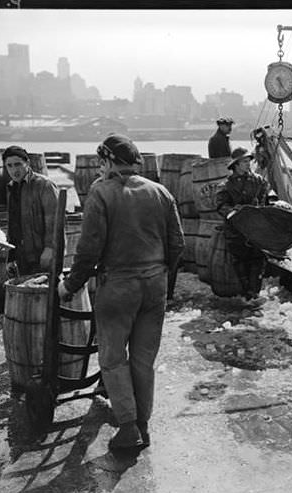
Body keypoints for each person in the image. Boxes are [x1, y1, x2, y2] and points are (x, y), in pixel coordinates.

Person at [58, 133, 184, 450]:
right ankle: (143, 424)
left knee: (113, 358)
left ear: (110, 161)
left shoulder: (102, 193)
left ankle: (128, 427)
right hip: (154, 286)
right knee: (143, 359)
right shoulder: (161, 192)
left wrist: (69, 286)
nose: (100, 168)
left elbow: (88, 251)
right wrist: (165, 285)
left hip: (118, 287)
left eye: (102, 162)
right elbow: (177, 244)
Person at [215, 147, 270, 301]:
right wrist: (234, 213)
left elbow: (266, 200)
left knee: (259, 260)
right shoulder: (225, 185)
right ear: (235, 165)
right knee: (240, 262)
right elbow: (221, 206)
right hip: (236, 231)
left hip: (255, 230)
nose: (248, 164)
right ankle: (247, 294)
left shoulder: (259, 181)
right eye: (244, 162)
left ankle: (255, 294)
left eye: (248, 161)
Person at [3, 145, 59, 276]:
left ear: (27, 163)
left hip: (42, 255)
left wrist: (50, 248)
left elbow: (55, 221)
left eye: (17, 164)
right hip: (21, 257)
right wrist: (10, 258)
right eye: (9, 166)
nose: (14, 170)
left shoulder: (44, 185)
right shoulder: (11, 189)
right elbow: (13, 225)